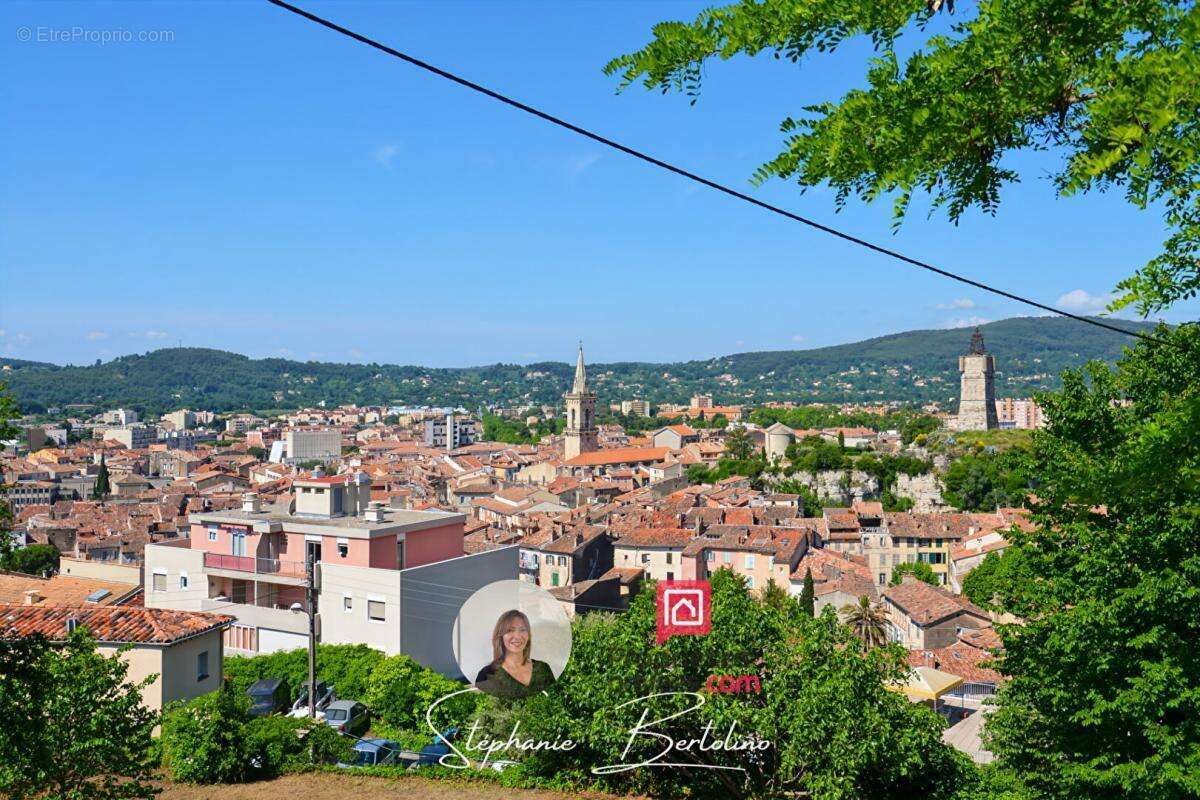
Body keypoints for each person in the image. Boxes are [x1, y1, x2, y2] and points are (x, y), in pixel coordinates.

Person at [474, 609, 556, 700]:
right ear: (501, 636)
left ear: (528, 635)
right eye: (510, 630)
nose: (517, 636)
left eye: (522, 630)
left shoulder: (543, 668)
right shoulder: (486, 675)